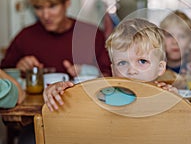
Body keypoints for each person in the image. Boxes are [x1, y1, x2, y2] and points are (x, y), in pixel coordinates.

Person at [43, 18, 177, 111]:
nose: (131, 70)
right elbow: (75, 104)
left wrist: (176, 100)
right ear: (113, 69)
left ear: (160, 68)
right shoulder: (104, 95)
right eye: (122, 62)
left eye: (142, 61)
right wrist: (56, 92)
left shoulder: (165, 95)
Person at [0, 0, 111, 78]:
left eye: (52, 6)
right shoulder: (25, 37)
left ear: (67, 3)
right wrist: (18, 68)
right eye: (39, 7)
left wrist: (88, 74)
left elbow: (110, 76)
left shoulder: (92, 35)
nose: (45, 15)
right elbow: (3, 74)